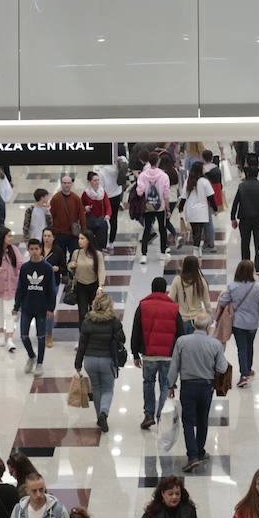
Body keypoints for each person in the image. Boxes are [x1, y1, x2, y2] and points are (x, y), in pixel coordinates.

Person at [168, 313, 229, 472]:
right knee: (202, 420)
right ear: (208, 327)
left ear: (194, 325)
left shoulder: (182, 341)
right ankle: (200, 452)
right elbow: (222, 368)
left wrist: (170, 385)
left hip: (187, 386)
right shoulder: (215, 344)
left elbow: (174, 366)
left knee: (188, 422)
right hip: (206, 387)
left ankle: (192, 456)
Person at [131, 276, 180, 430]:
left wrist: (135, 354)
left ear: (151, 289)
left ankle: (149, 414)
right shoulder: (173, 308)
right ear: (165, 289)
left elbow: (136, 331)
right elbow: (180, 333)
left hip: (149, 354)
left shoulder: (143, 306)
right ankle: (161, 416)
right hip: (168, 355)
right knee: (165, 385)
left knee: (148, 383)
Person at [217, 261, 259, 389]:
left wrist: (223, 294)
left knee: (242, 349)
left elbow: (222, 302)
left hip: (238, 324)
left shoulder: (232, 287)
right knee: (249, 346)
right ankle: (248, 369)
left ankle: (244, 375)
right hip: (253, 324)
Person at [75, 292, 124, 433]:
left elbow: (82, 344)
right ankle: (103, 413)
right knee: (108, 389)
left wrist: (77, 364)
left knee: (96, 388)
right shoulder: (113, 321)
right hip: (107, 361)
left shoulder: (87, 321)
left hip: (89, 360)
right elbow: (122, 339)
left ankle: (99, 417)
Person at [18, 238, 59, 375]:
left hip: (42, 308)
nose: (34, 252)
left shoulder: (47, 268)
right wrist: (16, 305)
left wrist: (50, 308)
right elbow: (21, 288)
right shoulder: (24, 268)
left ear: (40, 249)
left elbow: (52, 290)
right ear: (28, 250)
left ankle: (40, 363)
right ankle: (31, 356)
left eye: (37, 249)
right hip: (27, 307)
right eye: (32, 249)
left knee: (41, 336)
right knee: (24, 335)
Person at [230, 166, 259, 271]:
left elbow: (235, 203)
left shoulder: (241, 186)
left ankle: (245, 267)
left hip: (244, 220)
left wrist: (233, 218)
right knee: (258, 244)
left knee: (245, 243)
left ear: (247, 174)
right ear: (257, 174)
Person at [136, 155, 172, 264]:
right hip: (160, 207)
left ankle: (144, 255)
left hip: (148, 207)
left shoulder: (142, 175)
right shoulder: (164, 176)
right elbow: (166, 194)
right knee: (162, 229)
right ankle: (162, 253)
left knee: (147, 229)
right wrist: (168, 208)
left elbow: (139, 192)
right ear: (158, 162)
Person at [181, 162, 217, 255]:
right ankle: (196, 249)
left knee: (195, 231)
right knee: (199, 231)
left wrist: (180, 208)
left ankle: (197, 249)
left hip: (191, 210)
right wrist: (215, 208)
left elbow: (183, 197)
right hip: (201, 210)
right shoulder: (204, 182)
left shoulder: (188, 181)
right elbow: (211, 197)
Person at [98, 158, 128, 244]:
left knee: (103, 220)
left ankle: (103, 241)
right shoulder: (118, 167)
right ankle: (112, 241)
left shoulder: (101, 171)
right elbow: (125, 160)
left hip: (106, 197)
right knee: (114, 219)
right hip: (117, 195)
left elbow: (101, 187)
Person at [82, 171, 112, 251]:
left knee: (102, 225)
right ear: (89, 182)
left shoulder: (102, 192)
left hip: (100, 218)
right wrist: (85, 208)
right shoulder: (86, 194)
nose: (97, 182)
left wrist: (108, 215)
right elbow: (81, 206)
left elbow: (108, 205)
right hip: (90, 219)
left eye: (98, 180)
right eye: (95, 180)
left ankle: (100, 248)